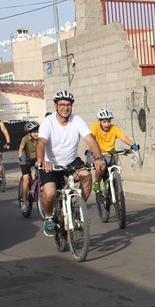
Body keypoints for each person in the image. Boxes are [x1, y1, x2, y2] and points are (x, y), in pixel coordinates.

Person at [37, 90, 105, 237]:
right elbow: (41, 142)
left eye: (68, 105)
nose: (65, 107)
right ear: (56, 106)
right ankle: (49, 218)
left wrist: (98, 157)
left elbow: (90, 139)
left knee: (86, 175)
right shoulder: (48, 122)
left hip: (71, 160)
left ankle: (78, 208)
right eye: (62, 104)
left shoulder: (77, 120)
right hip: (51, 163)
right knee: (50, 193)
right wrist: (42, 161)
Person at [90, 108, 139, 194]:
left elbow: (123, 137)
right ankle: (97, 183)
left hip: (112, 155)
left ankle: (116, 192)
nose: (107, 124)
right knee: (102, 167)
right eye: (104, 122)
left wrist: (132, 145)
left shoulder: (114, 128)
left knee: (115, 171)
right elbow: (90, 140)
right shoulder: (94, 127)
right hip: (100, 154)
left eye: (108, 121)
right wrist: (89, 150)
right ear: (99, 122)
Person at [18, 121, 40, 214]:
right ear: (29, 133)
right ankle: (24, 203)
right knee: (26, 180)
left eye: (37, 131)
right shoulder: (25, 139)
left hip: (36, 159)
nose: (36, 134)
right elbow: (21, 148)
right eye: (34, 132)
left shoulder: (41, 139)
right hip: (25, 160)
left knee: (41, 172)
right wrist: (20, 157)